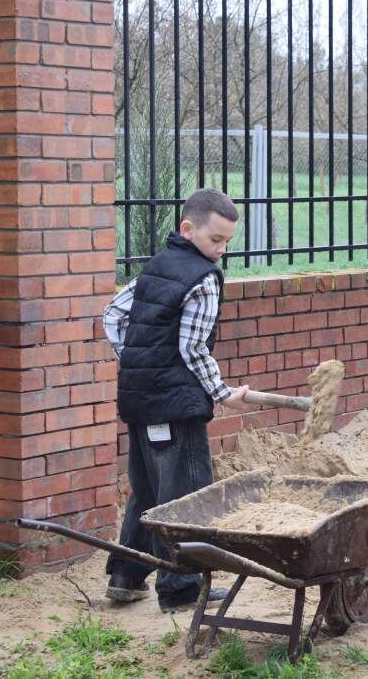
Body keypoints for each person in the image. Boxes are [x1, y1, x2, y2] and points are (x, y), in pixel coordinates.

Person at [102, 188, 251, 612]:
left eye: (227, 243)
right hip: (176, 405)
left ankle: (126, 577)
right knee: (186, 492)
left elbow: (112, 315)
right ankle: (180, 587)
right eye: (215, 240)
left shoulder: (157, 266)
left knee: (149, 491)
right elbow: (193, 349)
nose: (221, 251)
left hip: (140, 400)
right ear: (188, 229)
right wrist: (223, 393)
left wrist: (138, 364)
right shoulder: (202, 279)